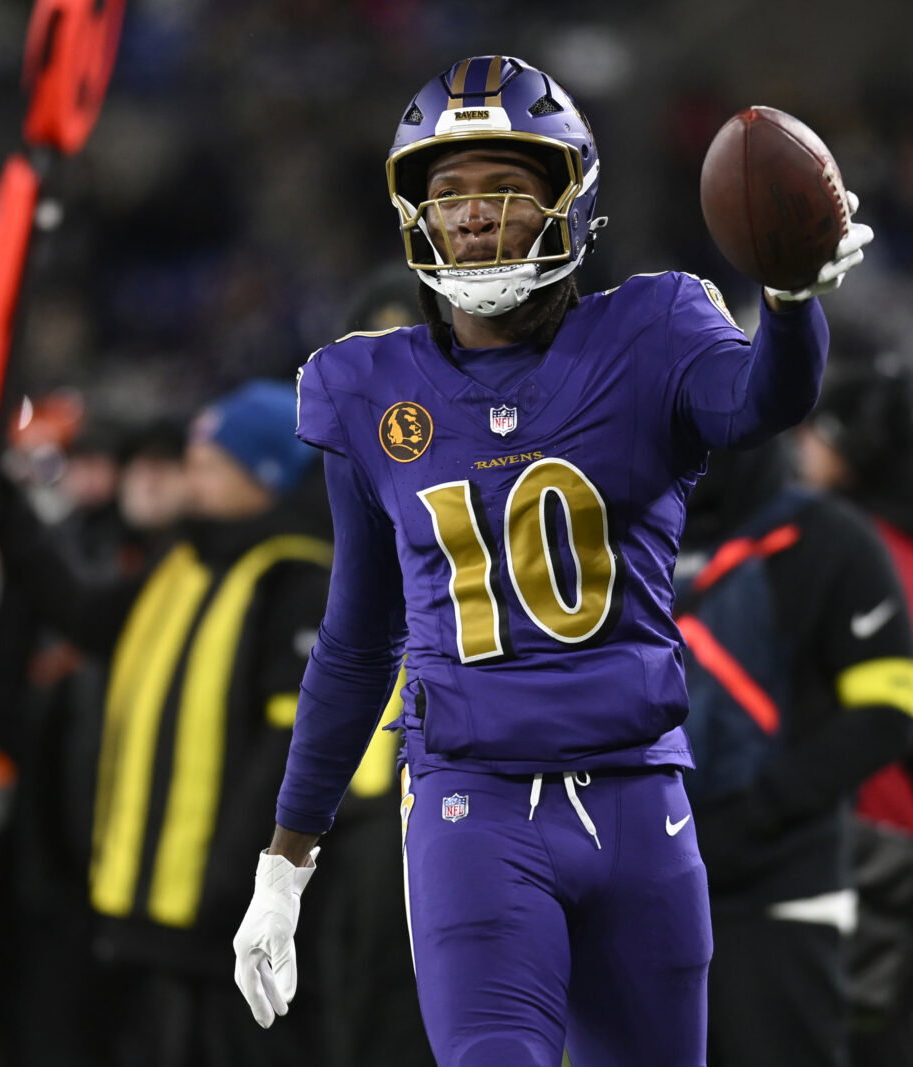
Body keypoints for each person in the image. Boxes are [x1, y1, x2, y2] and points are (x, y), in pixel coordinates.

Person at [232, 55, 873, 1067]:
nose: (475, 216)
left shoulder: (652, 329)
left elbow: (765, 403)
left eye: (504, 189)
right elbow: (358, 638)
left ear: (568, 199)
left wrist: (791, 302)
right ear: (416, 217)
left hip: (638, 792)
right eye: (449, 194)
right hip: (472, 802)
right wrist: (286, 857)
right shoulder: (367, 385)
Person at [0, 381, 334, 1067]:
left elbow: (289, 749)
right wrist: (6, 510)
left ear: (261, 474)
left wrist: (230, 883)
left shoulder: (294, 578)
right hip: (141, 907)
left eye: (209, 463)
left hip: (218, 921)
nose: (191, 476)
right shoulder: (180, 563)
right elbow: (83, 614)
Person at [676, 439, 913, 1066]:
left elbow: (889, 711)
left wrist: (760, 811)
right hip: (645, 888)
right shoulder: (623, 533)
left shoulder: (832, 538)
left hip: (781, 893)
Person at [795, 369, 913, 1065]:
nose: (804, 444)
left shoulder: (858, 547)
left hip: (854, 834)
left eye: (819, 431)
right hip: (909, 832)